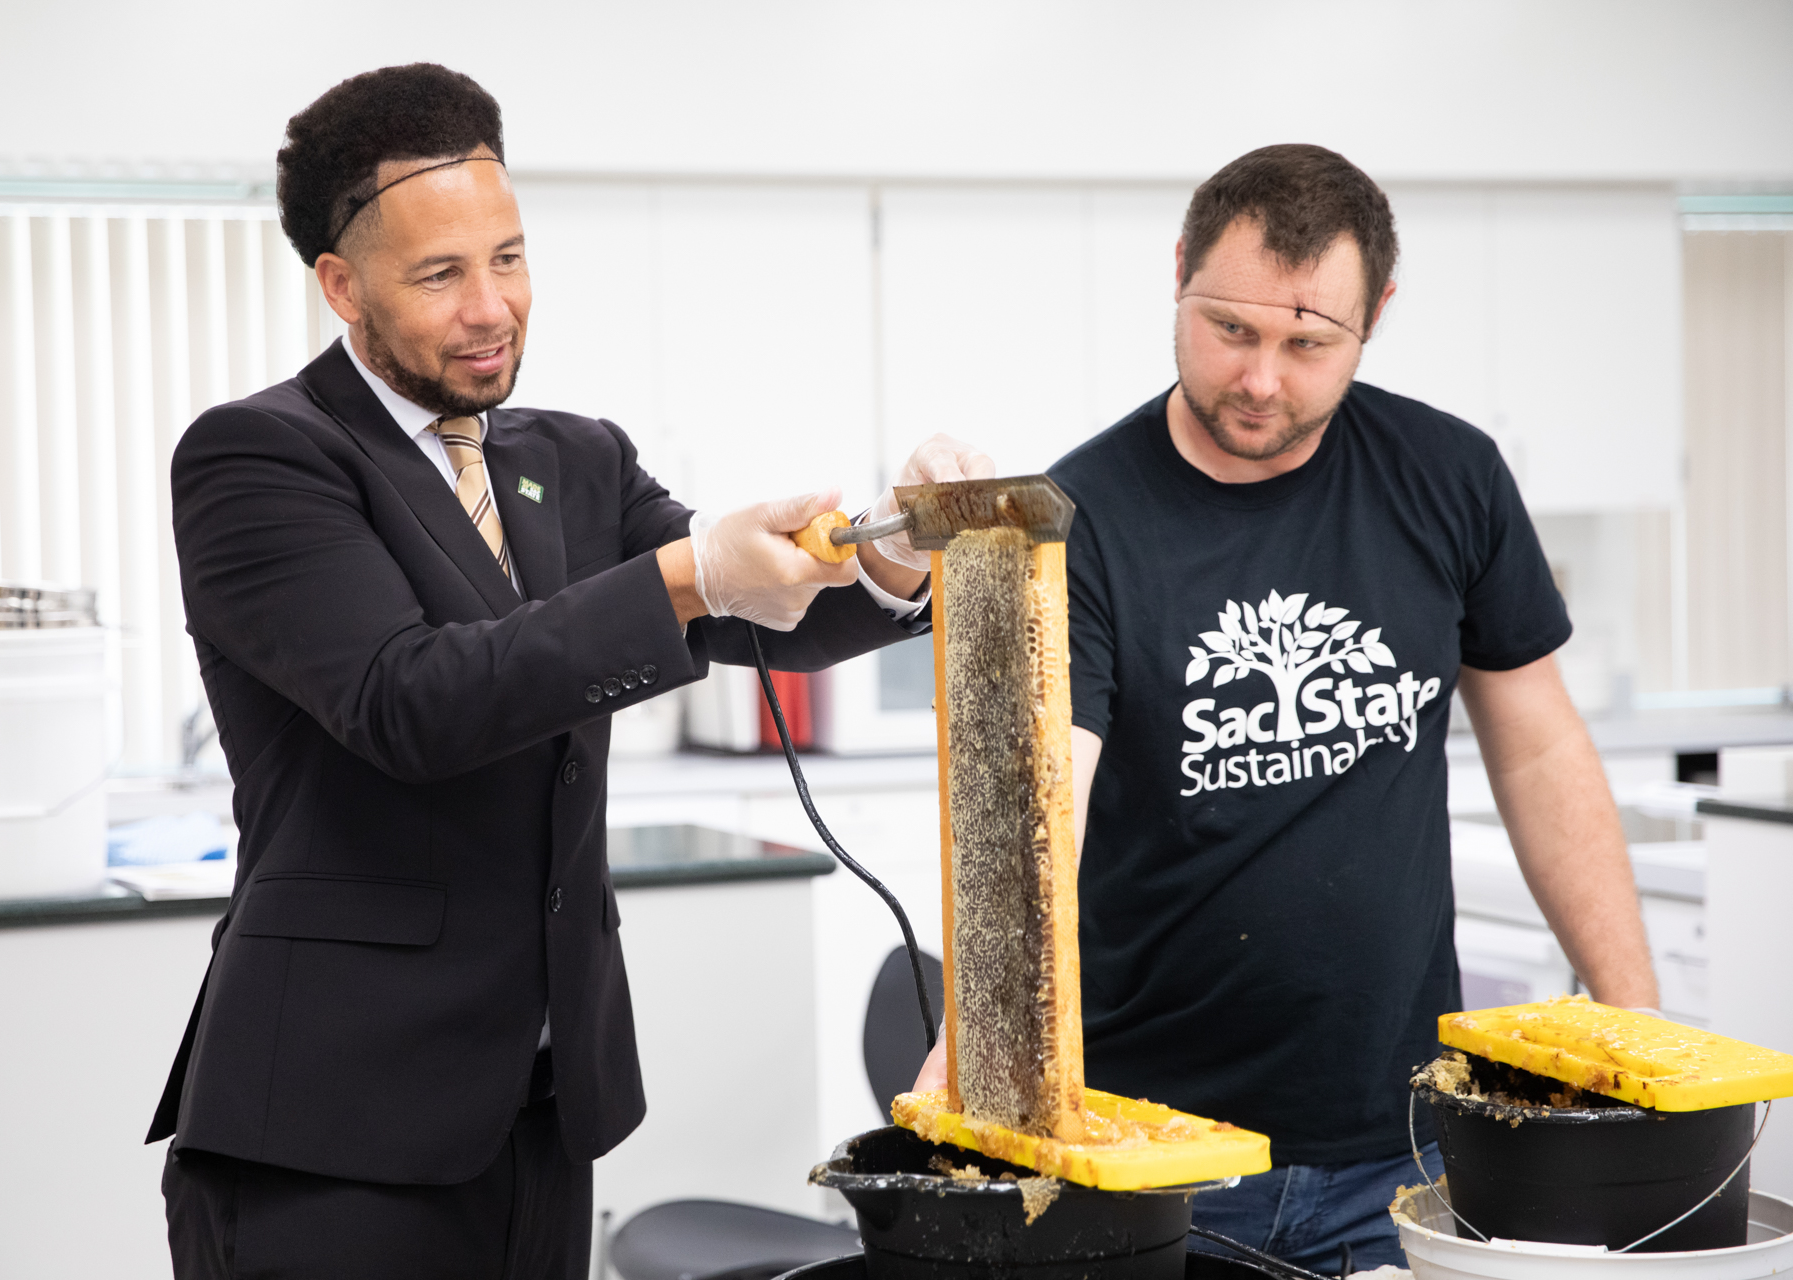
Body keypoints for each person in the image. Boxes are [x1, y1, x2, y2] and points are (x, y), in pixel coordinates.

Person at [149, 63, 990, 1279]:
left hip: (542, 1107)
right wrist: (690, 571)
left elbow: (756, 613)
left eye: (509, 255)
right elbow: (413, 700)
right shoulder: (260, 457)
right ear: (341, 284)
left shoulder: (574, 459)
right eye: (440, 273)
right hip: (334, 1125)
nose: (492, 305)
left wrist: (893, 553)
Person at [918, 144, 1659, 1271]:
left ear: (1378, 316)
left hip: (1411, 1142)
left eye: (1310, 343)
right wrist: (976, 1041)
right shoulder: (1079, 521)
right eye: (1232, 330)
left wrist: (1635, 1026)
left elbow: (1542, 748)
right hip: (1162, 1149)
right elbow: (1042, 807)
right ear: (1178, 272)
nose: (1263, 377)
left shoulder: (1450, 477)